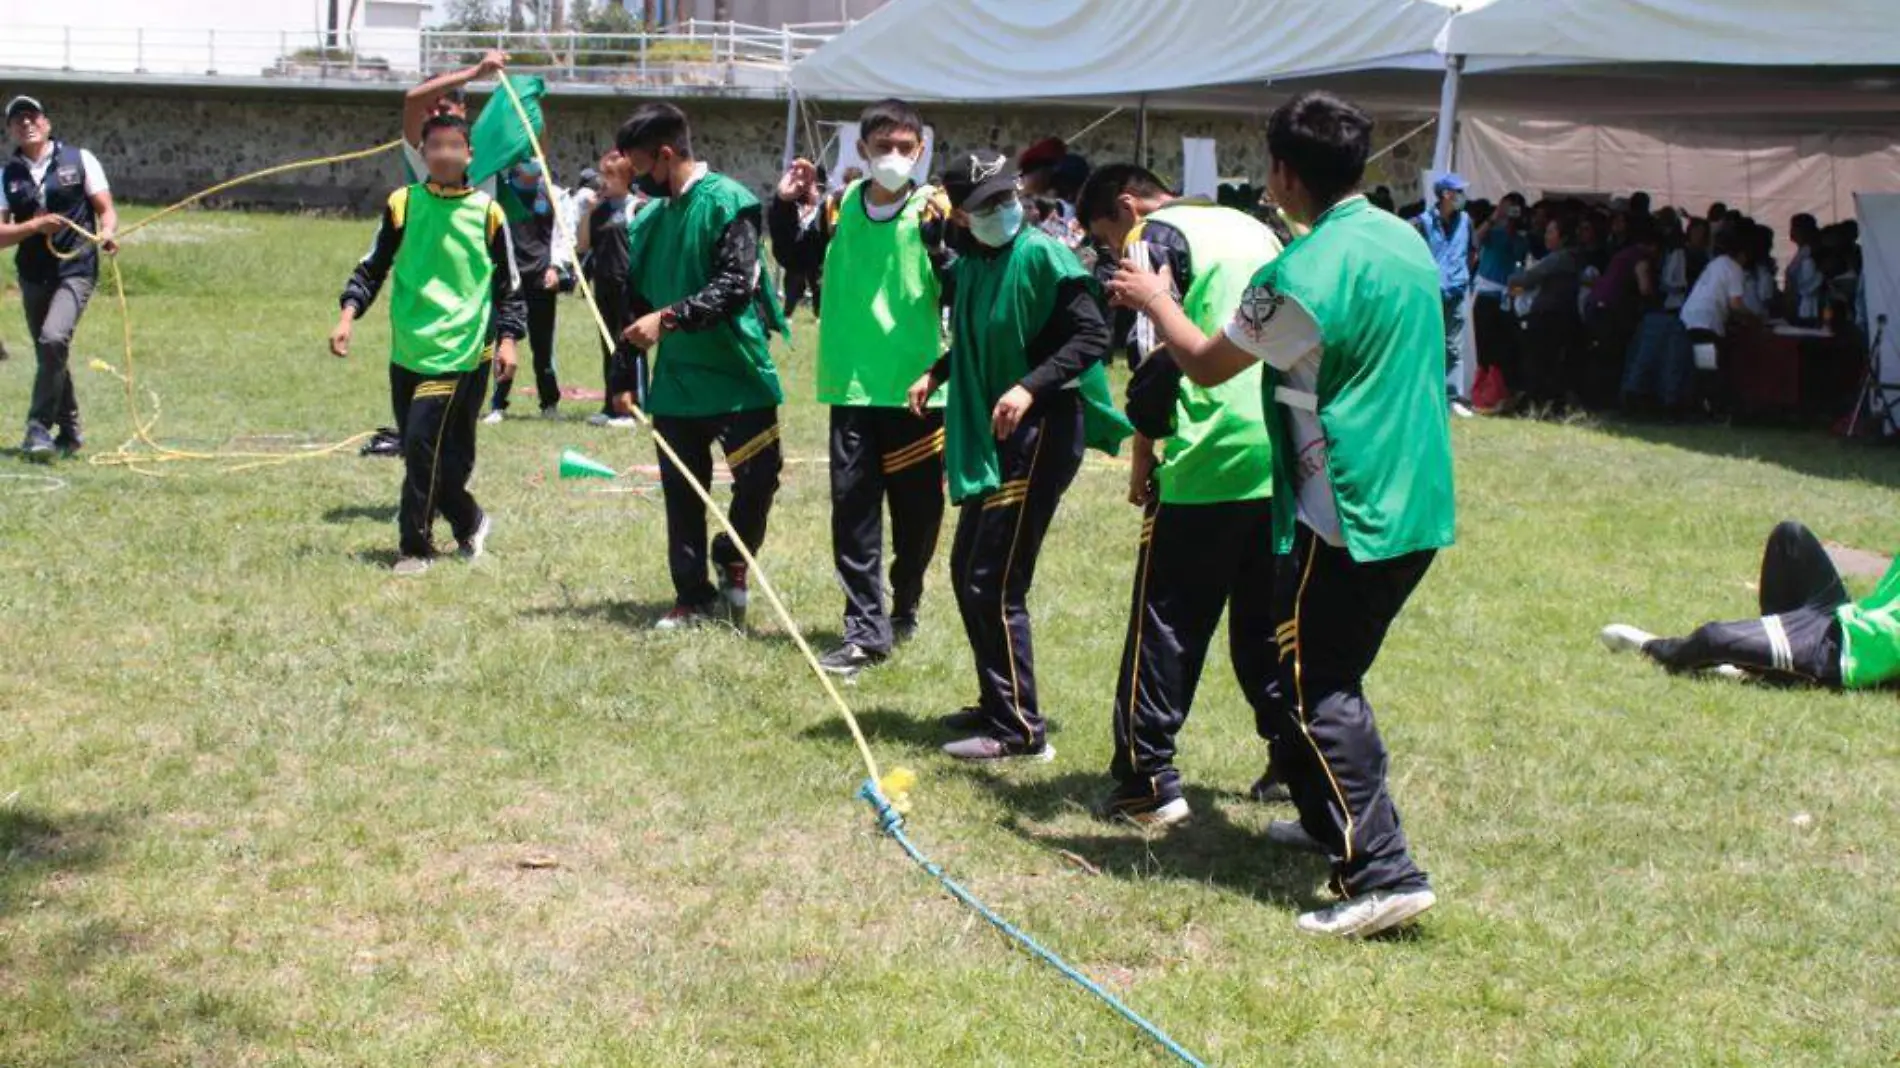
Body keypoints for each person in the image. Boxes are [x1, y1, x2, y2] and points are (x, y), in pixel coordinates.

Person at [1109, 90, 1453, 939]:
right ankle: (1324, 816)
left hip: (1346, 507)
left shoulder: (1296, 274)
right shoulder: (1403, 239)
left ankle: (1382, 870)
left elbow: (1204, 364)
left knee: (1315, 684)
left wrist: (1156, 301)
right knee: (1312, 664)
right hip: (1417, 499)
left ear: (1284, 175)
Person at [1075, 162, 1285, 826]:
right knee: (1268, 625)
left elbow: (1156, 364)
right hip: (1279, 451)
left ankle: (1147, 782)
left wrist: (1144, 452)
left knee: (1165, 622)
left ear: (1127, 207)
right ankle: (1293, 765)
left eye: (1108, 242)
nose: (1115, 260)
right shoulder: (1257, 228)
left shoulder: (1154, 239)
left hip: (1206, 454)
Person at [907, 149, 1130, 764]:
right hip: (996, 435)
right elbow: (982, 334)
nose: (1003, 210)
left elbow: (1090, 338)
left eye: (1007, 198)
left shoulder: (1042, 255)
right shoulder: (979, 261)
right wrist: (939, 371)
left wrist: (1030, 386)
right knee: (966, 569)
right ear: (961, 215)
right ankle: (994, 700)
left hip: (1042, 434)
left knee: (993, 578)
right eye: (986, 205)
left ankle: (1021, 729)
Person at [791, 99, 955, 677]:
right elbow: (795, 260)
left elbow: (961, 283)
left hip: (915, 391)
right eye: (882, 146)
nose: (893, 157)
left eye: (905, 148)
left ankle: (905, 600)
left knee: (918, 517)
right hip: (851, 384)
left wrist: (943, 368)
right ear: (861, 150)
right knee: (853, 511)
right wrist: (786, 207)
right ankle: (864, 627)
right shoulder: (838, 208)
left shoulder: (933, 210)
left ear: (920, 150)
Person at [329, 113, 525, 576]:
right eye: (434, 146)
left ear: (469, 154)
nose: (444, 155)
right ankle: (470, 518)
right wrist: (347, 316)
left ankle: (414, 548)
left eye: (454, 146)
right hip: (409, 349)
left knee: (419, 445)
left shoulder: (488, 213)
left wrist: (508, 340)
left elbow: (510, 286)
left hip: (461, 348)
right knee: (434, 453)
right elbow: (372, 266)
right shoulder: (403, 204)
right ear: (423, 153)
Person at [616, 102, 787, 631]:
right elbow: (632, 304)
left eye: (640, 166)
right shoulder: (646, 221)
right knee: (682, 495)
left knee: (759, 483)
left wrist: (666, 320)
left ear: (666, 155)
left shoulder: (729, 203)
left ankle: (732, 555)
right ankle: (692, 597)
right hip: (677, 385)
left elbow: (736, 286)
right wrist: (624, 372)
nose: (636, 179)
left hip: (738, 377)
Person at [1602, 521, 1900, 691]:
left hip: (1839, 656)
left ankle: (1651, 646)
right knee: (1790, 537)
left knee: (1713, 637)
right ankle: (1767, 661)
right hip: (1841, 619)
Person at [0, 95, 116, 460]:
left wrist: (109, 232)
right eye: (17, 120)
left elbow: (106, 210)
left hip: (77, 269)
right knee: (50, 351)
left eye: (32, 116)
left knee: (53, 339)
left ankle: (37, 428)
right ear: (10, 131)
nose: (26, 123)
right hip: (34, 276)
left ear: (47, 123)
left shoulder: (80, 160)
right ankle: (70, 430)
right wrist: (34, 226)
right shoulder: (7, 174)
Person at [485, 159, 571, 421]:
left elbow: (563, 234)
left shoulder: (552, 195)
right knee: (505, 341)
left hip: (541, 279)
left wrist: (556, 267)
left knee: (542, 346)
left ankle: (549, 404)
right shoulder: (498, 195)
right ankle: (498, 404)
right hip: (508, 279)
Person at [576, 149, 647, 429]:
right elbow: (583, 245)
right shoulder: (599, 209)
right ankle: (611, 405)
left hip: (631, 288)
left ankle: (634, 407)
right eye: (602, 174)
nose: (603, 181)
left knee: (630, 346)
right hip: (603, 286)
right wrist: (588, 212)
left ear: (626, 177)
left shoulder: (637, 207)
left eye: (610, 175)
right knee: (609, 345)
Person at [400, 49, 507, 192]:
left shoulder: (485, 141)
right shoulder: (420, 144)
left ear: (462, 110)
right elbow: (413, 100)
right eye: (430, 111)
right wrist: (474, 73)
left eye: (444, 109)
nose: (437, 115)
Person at [1508, 214, 1584, 412]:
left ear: (1563, 236)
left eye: (1551, 231)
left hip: (1548, 316)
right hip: (1557, 315)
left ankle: (1539, 403)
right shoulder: (1569, 257)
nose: (1546, 236)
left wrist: (1513, 278)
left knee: (1539, 361)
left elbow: (1528, 278)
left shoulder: (1560, 257)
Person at [1415, 174, 1474, 416]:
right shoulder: (1423, 222)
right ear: (1446, 195)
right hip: (1431, 291)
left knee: (1453, 347)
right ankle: (1423, 394)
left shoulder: (1466, 220)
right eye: (1459, 191)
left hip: (1457, 291)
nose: (1463, 196)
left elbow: (1472, 252)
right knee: (1427, 342)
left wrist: (1461, 275)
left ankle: (1452, 397)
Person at [1471, 191, 1530, 407]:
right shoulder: (1493, 233)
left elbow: (1520, 265)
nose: (1510, 212)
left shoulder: (1521, 237)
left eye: (1514, 208)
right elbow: (1475, 240)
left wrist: (1516, 298)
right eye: (1507, 207)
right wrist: (1494, 218)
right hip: (1486, 295)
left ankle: (1501, 390)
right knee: (1484, 344)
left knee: (1504, 346)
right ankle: (1482, 389)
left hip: (1507, 297)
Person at [766, 158, 829, 318]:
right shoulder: (788, 209)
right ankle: (787, 314)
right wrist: (783, 198)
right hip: (796, 259)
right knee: (793, 284)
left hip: (816, 258)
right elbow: (782, 240)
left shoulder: (825, 208)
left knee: (818, 285)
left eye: (815, 184)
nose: (804, 186)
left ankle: (819, 314)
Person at [1785, 213, 1824, 323]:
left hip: (1806, 307)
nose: (1791, 231)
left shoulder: (1808, 255)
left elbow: (1809, 285)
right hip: (1798, 302)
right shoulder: (1803, 252)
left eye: (1794, 228)